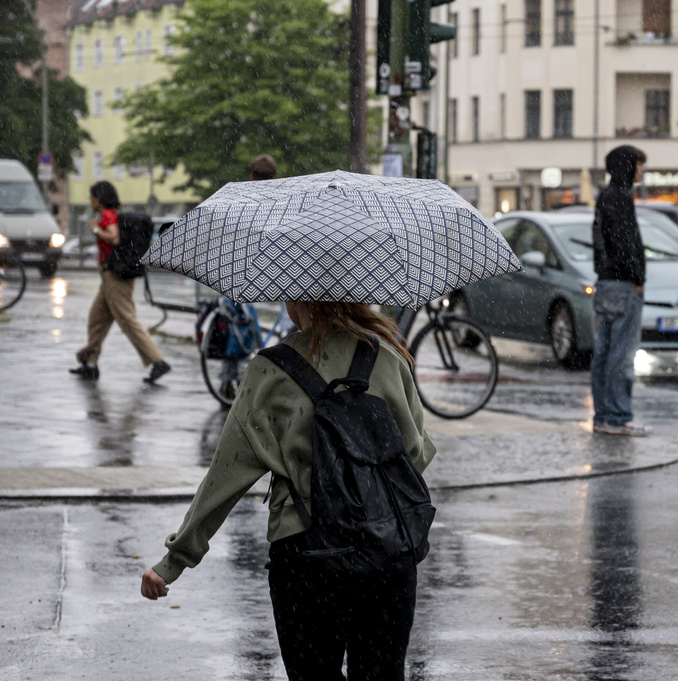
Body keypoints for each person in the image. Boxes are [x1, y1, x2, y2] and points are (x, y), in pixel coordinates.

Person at [140, 301, 436, 681]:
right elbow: (417, 453)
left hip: (307, 556)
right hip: (388, 553)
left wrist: (174, 561)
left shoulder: (269, 370)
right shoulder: (388, 355)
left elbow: (226, 476)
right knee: (382, 674)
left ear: (297, 297)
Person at [70, 181, 171, 383]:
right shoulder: (112, 213)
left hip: (114, 277)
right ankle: (90, 363)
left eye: (92, 198)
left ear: (98, 199)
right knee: (96, 320)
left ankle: (157, 361)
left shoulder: (106, 215)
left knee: (127, 320)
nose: (90, 201)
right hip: (110, 277)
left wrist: (96, 230)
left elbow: (113, 238)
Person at [590, 146, 652, 437]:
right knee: (621, 355)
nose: (642, 170)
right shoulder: (621, 199)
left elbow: (601, 242)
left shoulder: (604, 196)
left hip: (604, 284)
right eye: (639, 165)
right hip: (623, 285)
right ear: (627, 166)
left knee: (603, 354)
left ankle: (603, 415)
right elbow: (626, 243)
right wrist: (637, 276)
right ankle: (617, 417)